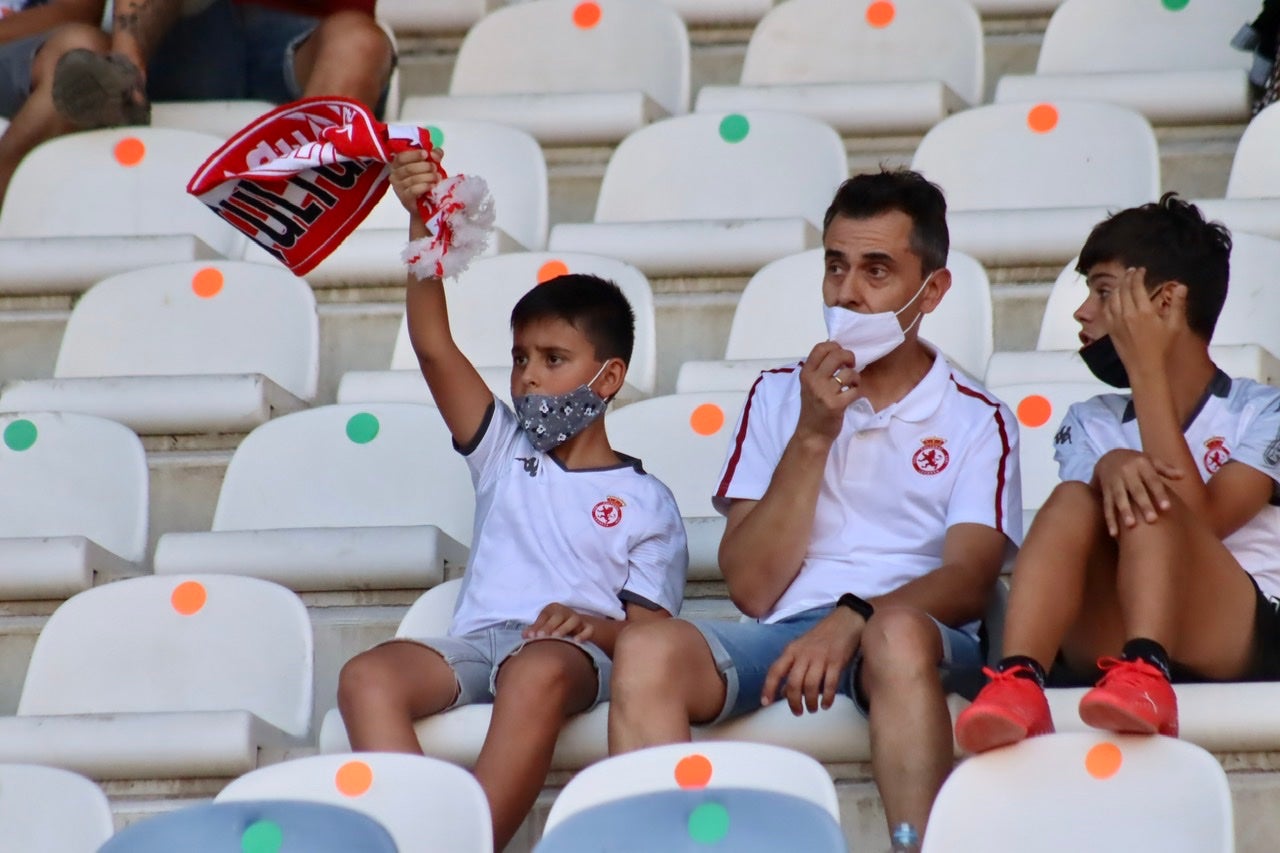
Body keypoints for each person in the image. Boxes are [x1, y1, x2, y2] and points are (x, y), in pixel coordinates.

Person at [608, 169, 1022, 848]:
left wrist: (854, 616)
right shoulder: (777, 396)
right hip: (784, 630)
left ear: (933, 290)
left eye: (877, 270)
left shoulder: (978, 416)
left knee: (895, 637)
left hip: (911, 630)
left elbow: (971, 577)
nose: (849, 293)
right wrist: (812, 433)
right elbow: (751, 584)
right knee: (648, 648)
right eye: (836, 266)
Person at [336, 146, 689, 852]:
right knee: (366, 675)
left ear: (609, 375)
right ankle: (422, 837)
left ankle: (466, 843)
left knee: (535, 667)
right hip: (476, 643)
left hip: (566, 656)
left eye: (553, 360)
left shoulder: (648, 502)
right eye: (520, 358)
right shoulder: (503, 448)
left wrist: (589, 623)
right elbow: (434, 346)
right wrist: (421, 228)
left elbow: (650, 637)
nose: (527, 378)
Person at [955, 195, 1280, 755]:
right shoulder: (1088, 421)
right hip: (1108, 634)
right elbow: (1083, 522)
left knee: (1148, 494)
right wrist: (1109, 464)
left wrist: (1147, 367)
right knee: (1075, 499)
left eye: (1103, 291)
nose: (1082, 312)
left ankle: (1147, 673)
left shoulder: (1264, 411)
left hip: (1237, 640)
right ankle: (1017, 682)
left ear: (1166, 301)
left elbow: (1202, 520)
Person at [0, 0, 394, 210]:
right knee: (78, 56)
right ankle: (124, 78)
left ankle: (299, 216)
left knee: (360, 45)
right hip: (176, 40)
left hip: (285, 34)